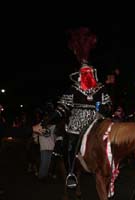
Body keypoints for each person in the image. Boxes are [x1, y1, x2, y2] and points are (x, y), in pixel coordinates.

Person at [41, 27, 112, 188]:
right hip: (77, 120)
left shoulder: (100, 88)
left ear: (93, 73)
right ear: (80, 75)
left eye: (89, 72)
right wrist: (48, 119)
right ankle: (71, 171)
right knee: (71, 139)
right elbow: (62, 108)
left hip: (97, 118)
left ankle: (113, 165)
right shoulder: (73, 89)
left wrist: (101, 109)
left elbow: (108, 104)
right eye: (84, 72)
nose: (87, 75)